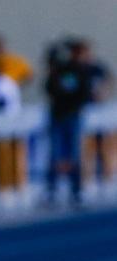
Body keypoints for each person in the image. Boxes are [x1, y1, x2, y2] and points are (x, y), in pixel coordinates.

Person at [45, 38, 92, 205]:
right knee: (55, 155)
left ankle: (76, 190)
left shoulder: (80, 71)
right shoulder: (57, 71)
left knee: (74, 154)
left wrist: (74, 106)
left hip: (73, 116)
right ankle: (51, 190)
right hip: (58, 115)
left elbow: (85, 94)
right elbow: (49, 89)